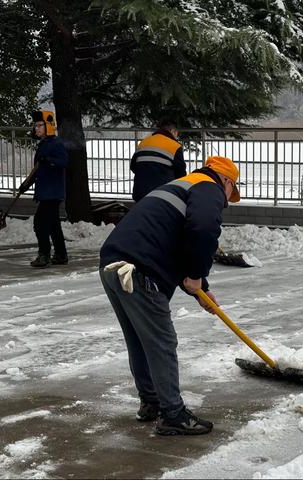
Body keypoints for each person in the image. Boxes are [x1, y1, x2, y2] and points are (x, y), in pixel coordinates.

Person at [99, 156, 240, 436]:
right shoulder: (208, 187)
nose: (225, 200)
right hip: (139, 271)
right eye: (230, 192)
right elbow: (202, 230)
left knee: (141, 340)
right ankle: (172, 414)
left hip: (113, 266)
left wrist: (202, 289)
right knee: (162, 342)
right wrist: (197, 274)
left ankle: (151, 401)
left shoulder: (180, 184)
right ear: (225, 180)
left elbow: (175, 241)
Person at [19, 110, 69, 268]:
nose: (36, 128)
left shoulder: (56, 143)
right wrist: (27, 184)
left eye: (39, 125)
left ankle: (44, 255)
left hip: (52, 192)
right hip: (45, 191)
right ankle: (61, 255)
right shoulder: (43, 145)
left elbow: (63, 161)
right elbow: (38, 169)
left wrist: (49, 160)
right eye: (35, 126)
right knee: (53, 224)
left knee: (40, 223)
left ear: (48, 126)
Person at [130, 118, 187, 202]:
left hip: (139, 194)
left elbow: (133, 167)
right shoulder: (175, 146)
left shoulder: (144, 142)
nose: (176, 137)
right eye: (176, 134)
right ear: (172, 130)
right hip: (162, 195)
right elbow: (181, 175)